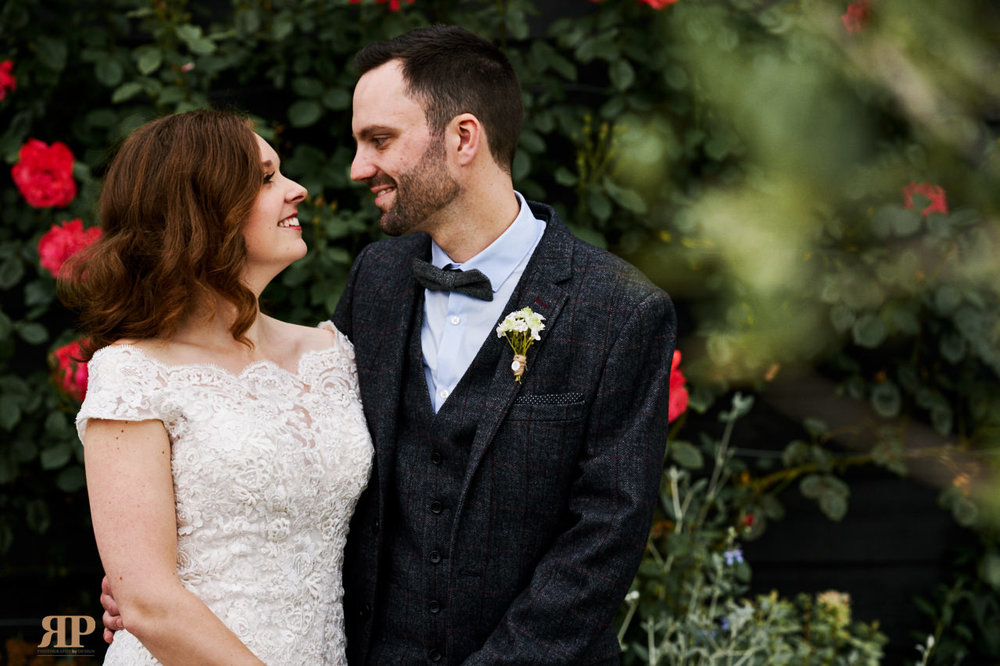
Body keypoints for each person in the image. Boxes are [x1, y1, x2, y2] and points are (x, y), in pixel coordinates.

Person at [334, 25, 677, 664]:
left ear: (464, 137)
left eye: (379, 140)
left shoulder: (622, 310)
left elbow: (604, 538)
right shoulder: (375, 280)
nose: (359, 169)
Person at [64, 110, 372, 665]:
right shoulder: (133, 372)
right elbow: (148, 602)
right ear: (204, 210)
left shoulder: (333, 355)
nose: (298, 190)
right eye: (266, 178)